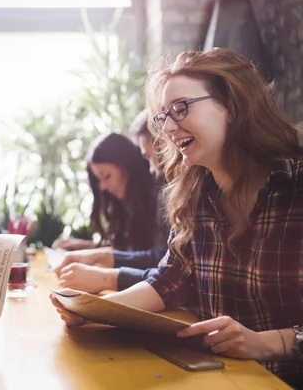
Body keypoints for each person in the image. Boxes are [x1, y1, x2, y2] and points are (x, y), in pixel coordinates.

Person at [51, 48, 303, 387]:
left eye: (180, 108)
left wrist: (270, 342)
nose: (168, 127)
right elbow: (168, 282)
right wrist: (89, 310)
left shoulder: (295, 185)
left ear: (231, 104)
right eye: (162, 117)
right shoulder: (196, 197)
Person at [53, 132, 168, 292]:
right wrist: (89, 248)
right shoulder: (127, 204)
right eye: (98, 180)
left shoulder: (163, 194)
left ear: (128, 166)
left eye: (106, 176)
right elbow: (131, 250)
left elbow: (165, 260)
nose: (102, 187)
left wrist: (102, 263)